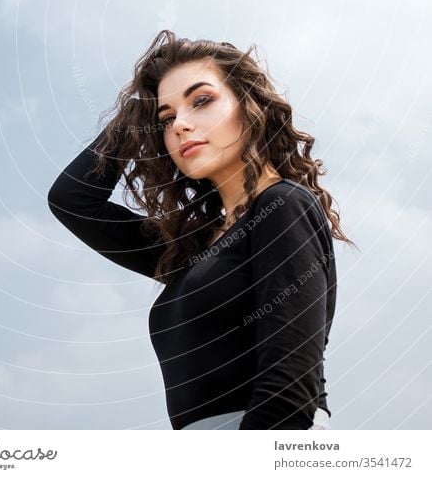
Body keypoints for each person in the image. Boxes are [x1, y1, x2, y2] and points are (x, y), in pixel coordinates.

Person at [48, 30, 356, 430]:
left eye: (201, 100)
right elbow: (73, 201)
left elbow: (290, 386)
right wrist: (135, 114)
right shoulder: (190, 248)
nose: (181, 125)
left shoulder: (283, 206)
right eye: (167, 118)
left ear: (250, 106)